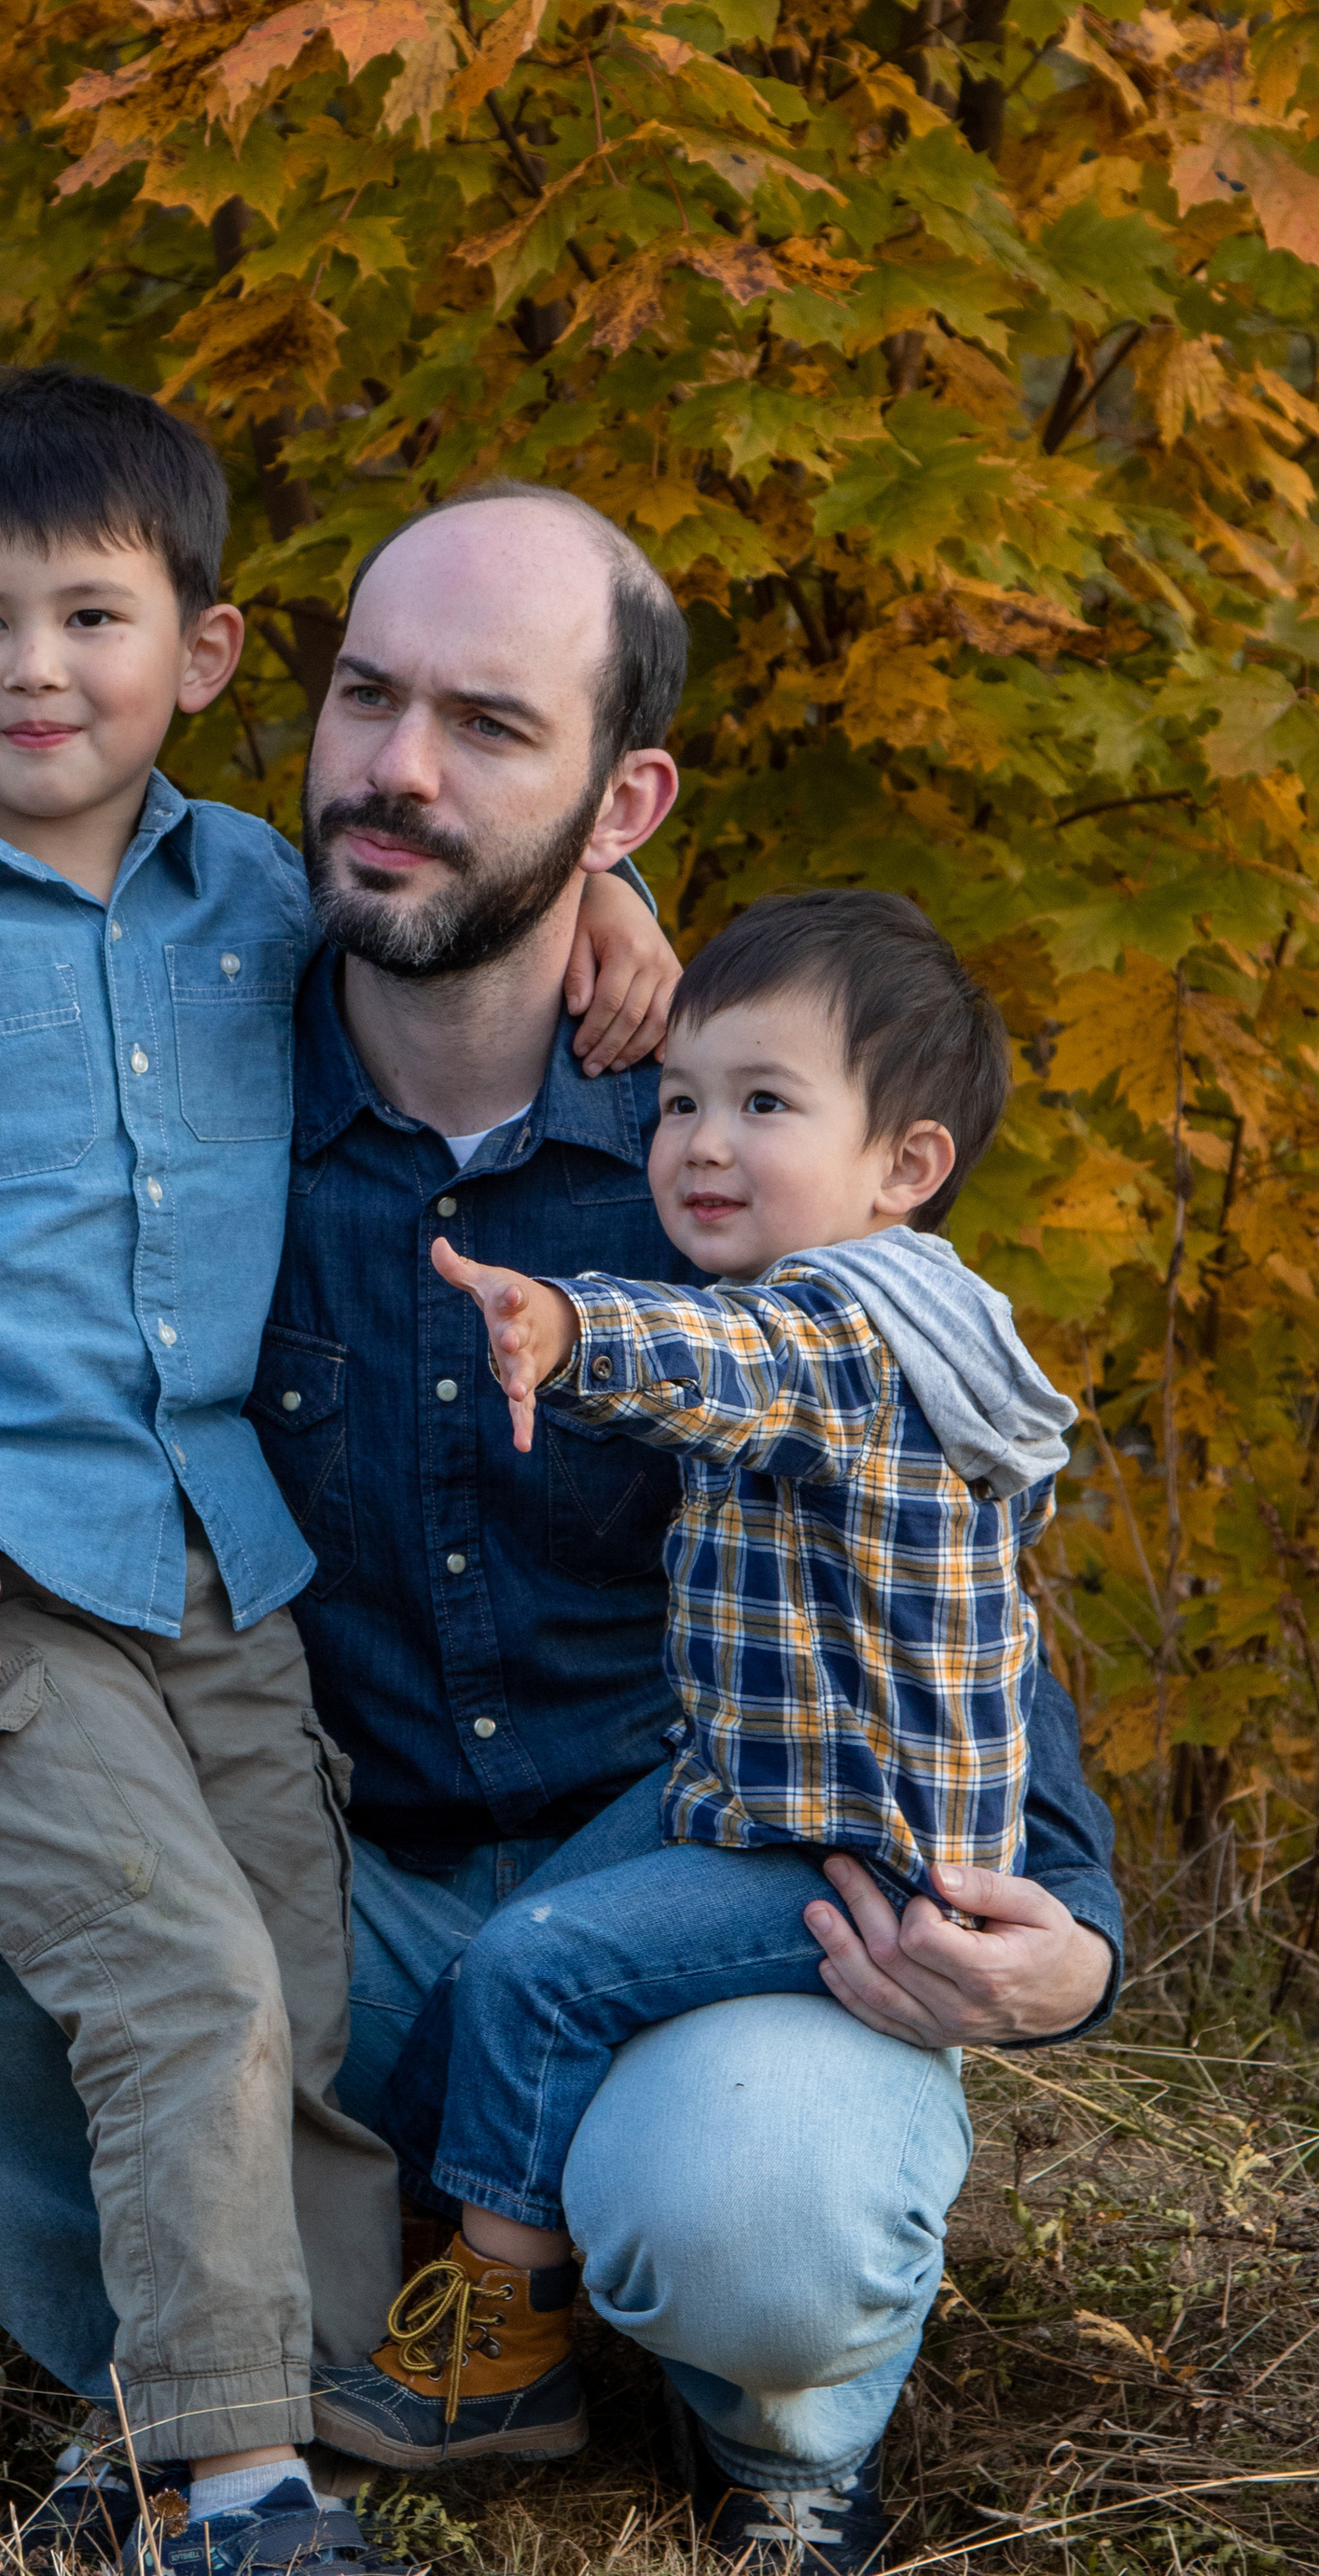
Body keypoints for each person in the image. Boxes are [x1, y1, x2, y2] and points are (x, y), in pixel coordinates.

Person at [0, 477, 1122, 2576]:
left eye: (487, 727)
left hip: (659, 1905)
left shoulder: (729, 1150)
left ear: (620, 797)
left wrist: (1065, 1932)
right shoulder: (178, 1079)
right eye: (365, 697)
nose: (395, 771)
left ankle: (751, 2423)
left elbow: (918, 1547)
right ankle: (192, 2387)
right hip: (313, 1886)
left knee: (758, 2199)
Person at [0, 376, 674, 2576]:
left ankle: (206, 2425)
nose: (37, 673)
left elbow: (471, 887)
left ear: (203, 661)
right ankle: (232, 2506)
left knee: (290, 1989)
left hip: (227, 1565)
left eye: (92, 619)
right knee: (184, 1984)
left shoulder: (251, 891)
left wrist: (620, 902)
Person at [309, 887, 1078, 2472]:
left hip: (843, 1846)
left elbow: (736, 1372)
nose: (702, 1144)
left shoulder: (848, 1327)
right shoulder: (926, 1319)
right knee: (488, 1976)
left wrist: (568, 1324)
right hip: (741, 1787)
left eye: (765, 1106)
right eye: (679, 1103)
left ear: (907, 1168)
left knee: (534, 1963)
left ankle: (506, 2354)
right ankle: (424, 2244)